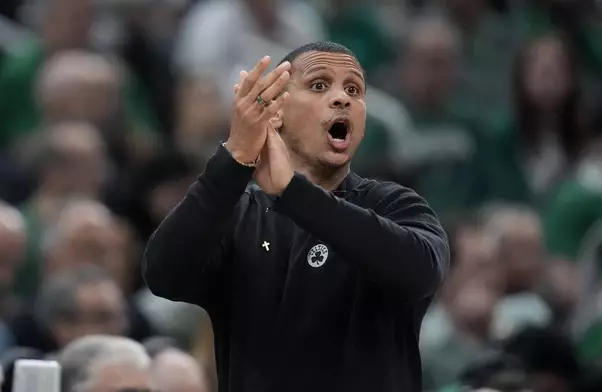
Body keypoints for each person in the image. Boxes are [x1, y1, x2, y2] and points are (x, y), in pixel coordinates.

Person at [143, 41, 450, 392]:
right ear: (275, 112)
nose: (342, 98)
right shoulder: (238, 216)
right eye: (319, 85)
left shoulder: (395, 204)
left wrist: (294, 193)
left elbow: (421, 272)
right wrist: (234, 159)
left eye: (354, 89)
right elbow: (164, 274)